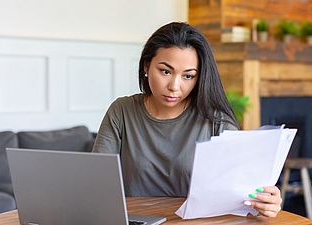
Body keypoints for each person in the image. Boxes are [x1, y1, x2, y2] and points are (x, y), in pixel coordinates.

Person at [92, 22, 282, 218]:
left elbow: (241, 197)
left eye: (188, 76)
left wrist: (265, 203)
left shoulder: (217, 122)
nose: (174, 86)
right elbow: (96, 181)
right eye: (165, 71)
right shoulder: (122, 112)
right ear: (146, 65)